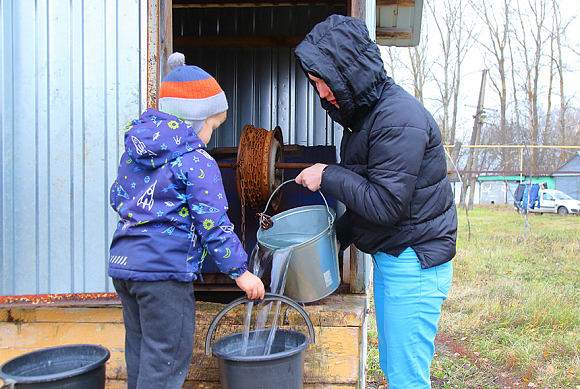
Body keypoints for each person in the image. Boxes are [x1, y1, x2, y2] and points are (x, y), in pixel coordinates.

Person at [294, 15, 457, 389]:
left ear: (348, 72)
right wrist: (334, 238)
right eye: (315, 84)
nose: (321, 94)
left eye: (324, 82)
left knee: (406, 378)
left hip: (415, 263)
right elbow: (375, 200)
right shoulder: (367, 119)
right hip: (395, 256)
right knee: (394, 367)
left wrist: (328, 174)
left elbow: (385, 204)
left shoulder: (399, 118)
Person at [108, 52, 264, 389]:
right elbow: (213, 224)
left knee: (140, 355)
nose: (209, 135)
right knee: (166, 360)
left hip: (124, 268)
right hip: (164, 275)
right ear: (193, 121)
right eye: (211, 125)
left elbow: (117, 198)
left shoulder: (134, 152)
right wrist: (241, 272)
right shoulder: (196, 161)